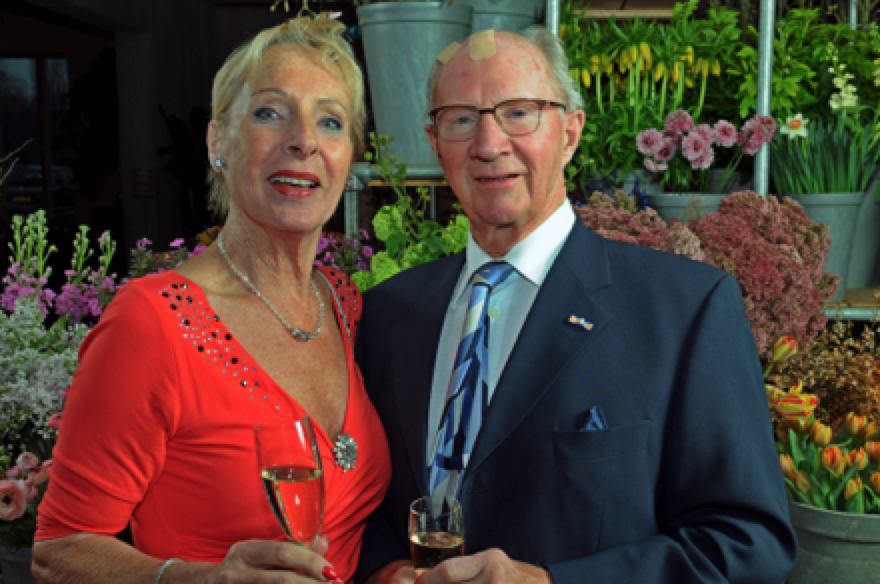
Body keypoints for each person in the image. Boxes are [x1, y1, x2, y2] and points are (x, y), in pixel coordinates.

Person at [353, 27, 797, 584]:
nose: (489, 144)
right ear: (435, 142)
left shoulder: (687, 310)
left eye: (519, 113)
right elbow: (361, 507)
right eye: (461, 119)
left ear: (570, 133)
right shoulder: (386, 313)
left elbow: (749, 544)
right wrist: (383, 571)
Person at [33, 16, 390, 584]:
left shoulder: (344, 304)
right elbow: (58, 552)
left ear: (349, 159)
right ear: (218, 142)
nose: (303, 140)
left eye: (330, 120)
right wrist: (203, 579)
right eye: (270, 112)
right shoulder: (152, 323)